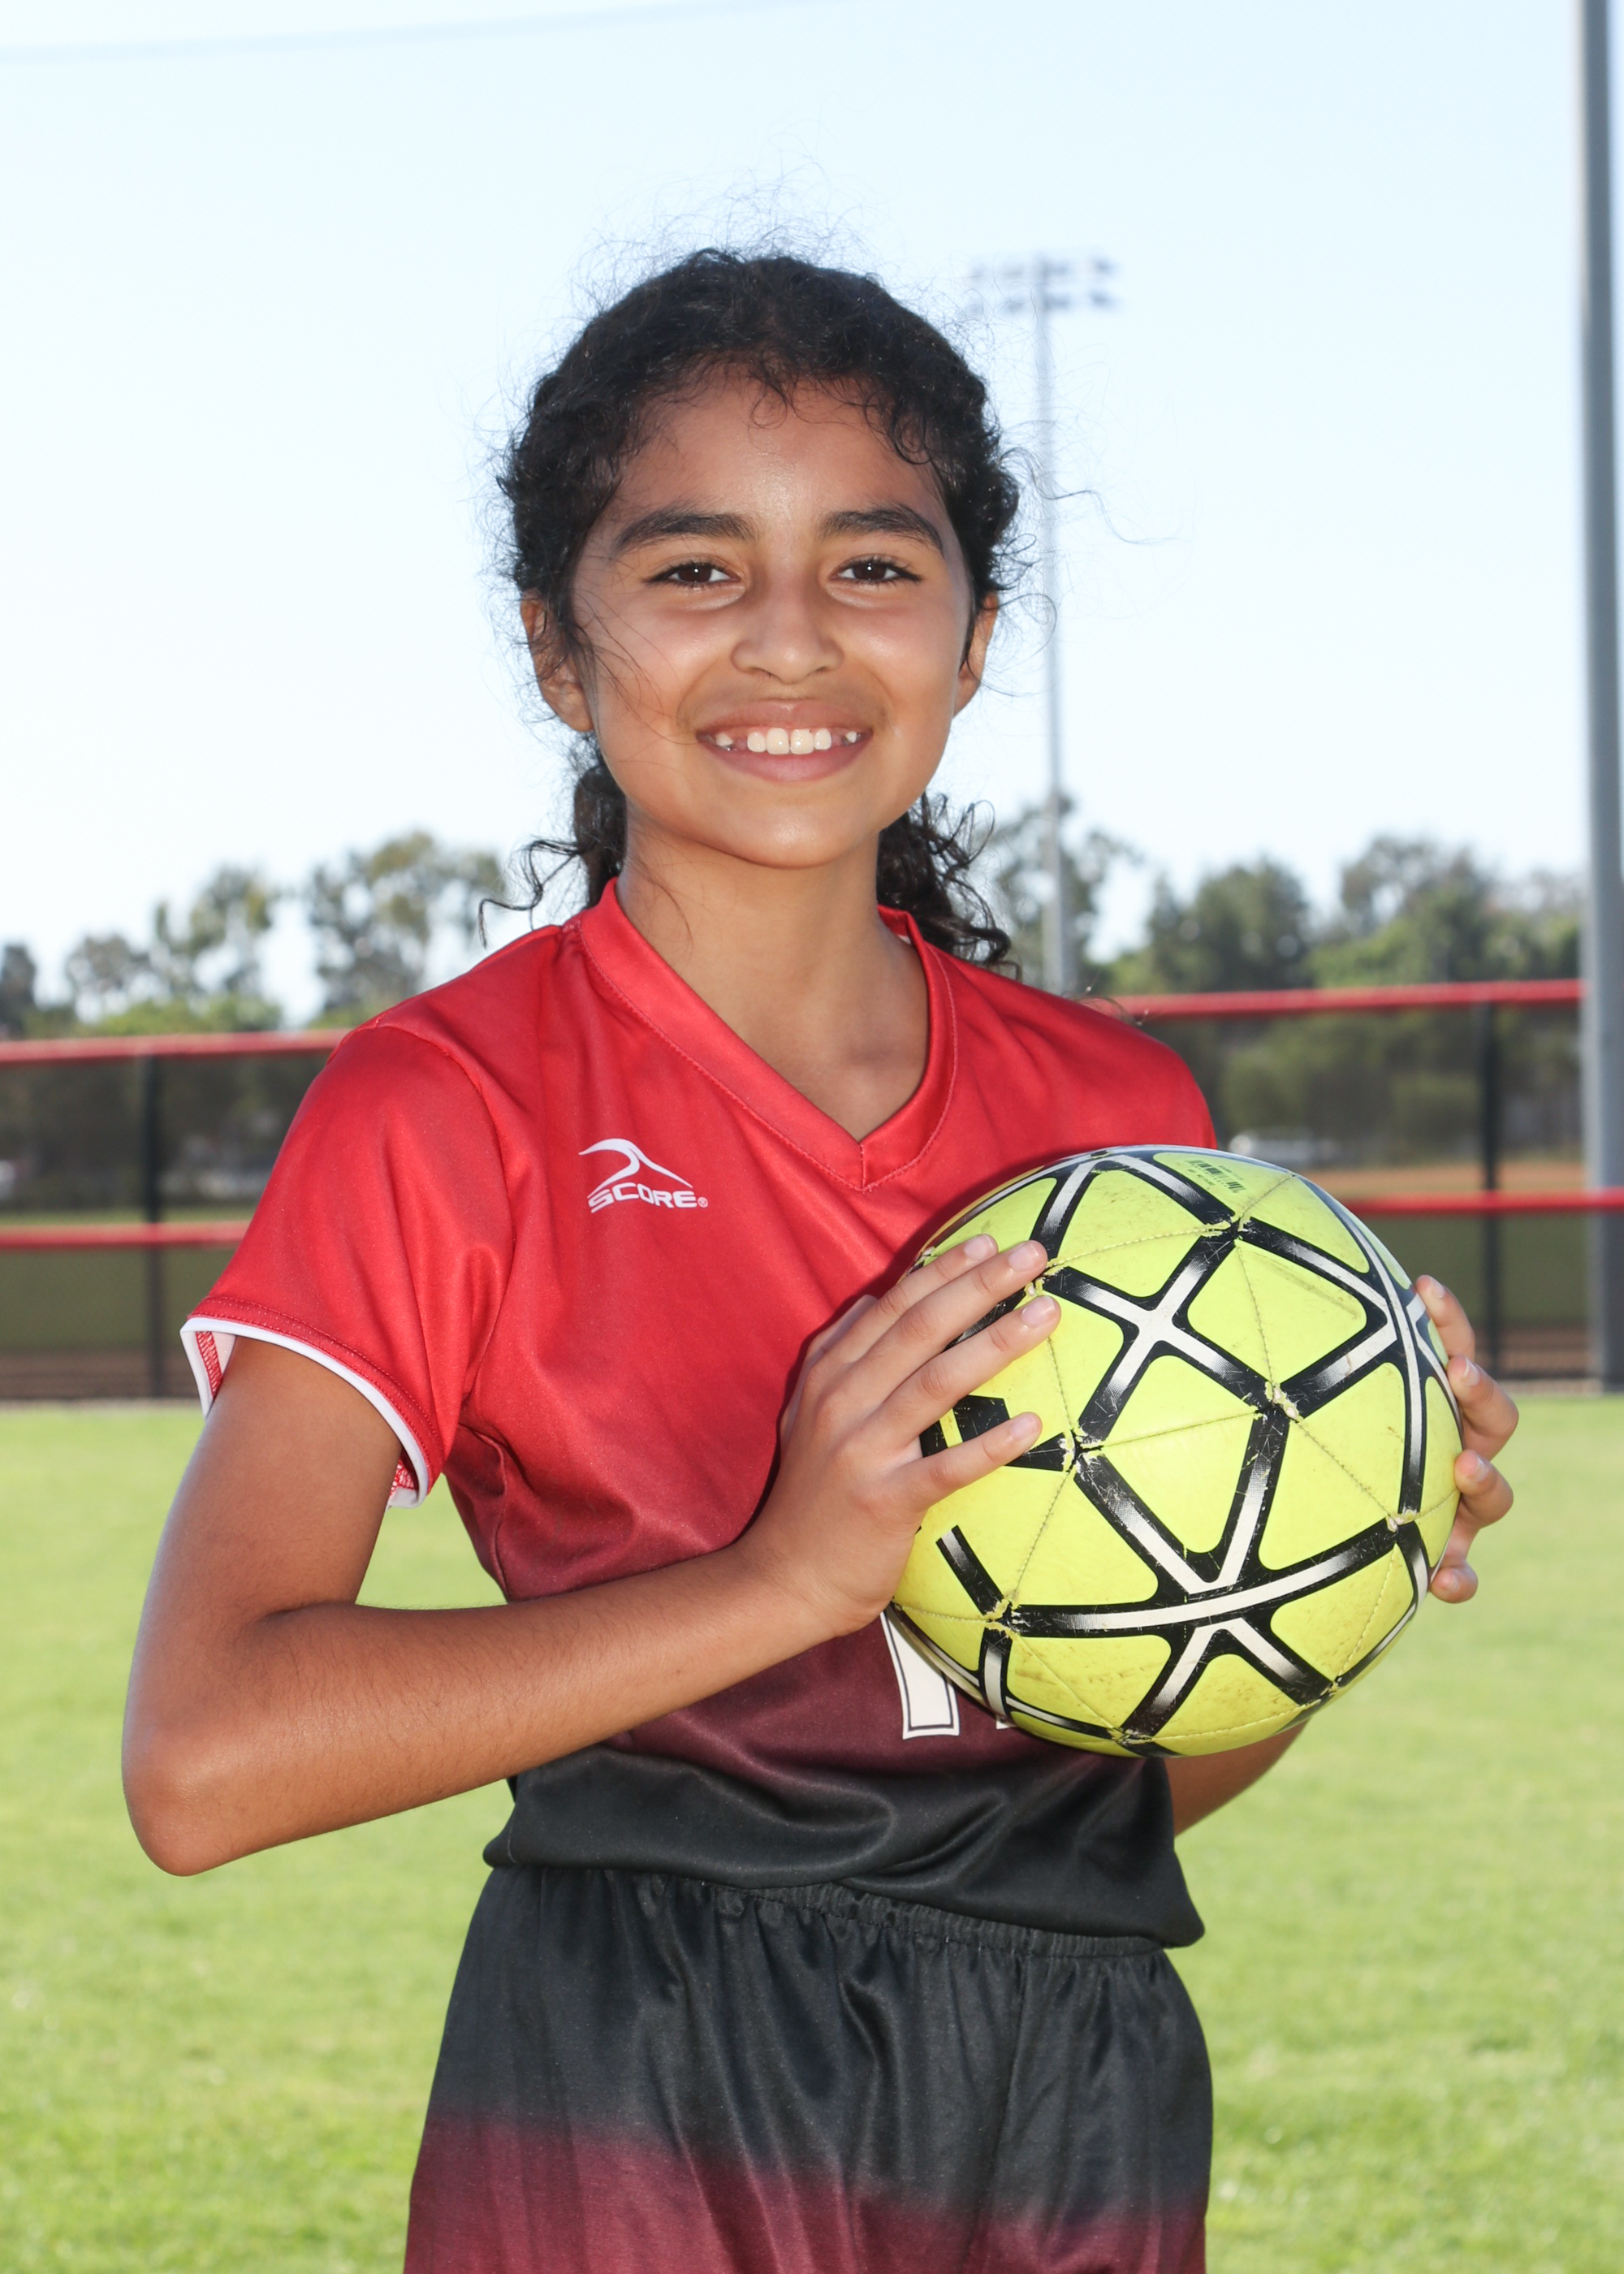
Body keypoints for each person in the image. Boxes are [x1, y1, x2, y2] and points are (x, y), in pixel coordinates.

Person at [123, 250, 1518, 2274]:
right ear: (557, 648)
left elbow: (1106, 1786)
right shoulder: (452, 1103)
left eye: (870, 565)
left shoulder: (1117, 1122)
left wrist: (1311, 1551)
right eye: (696, 569)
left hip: (1072, 2089)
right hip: (639, 2090)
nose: (789, 637)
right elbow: (204, 1755)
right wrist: (780, 1578)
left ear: (971, 638)